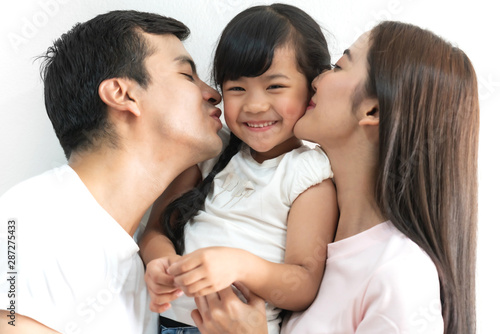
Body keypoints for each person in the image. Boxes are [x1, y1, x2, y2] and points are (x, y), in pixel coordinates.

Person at [190, 20, 479, 334]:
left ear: (373, 111)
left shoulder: (400, 274)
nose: (317, 80)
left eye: (338, 67)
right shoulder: (310, 239)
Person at [0, 10, 224, 334]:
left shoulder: (139, 271)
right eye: (187, 76)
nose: (213, 93)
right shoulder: (28, 218)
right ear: (123, 94)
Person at [138, 4, 337, 334]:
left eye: (275, 86)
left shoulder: (308, 173)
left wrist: (240, 265)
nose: (255, 105)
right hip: (166, 324)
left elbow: (303, 284)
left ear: (312, 88)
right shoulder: (211, 153)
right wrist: (161, 263)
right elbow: (156, 231)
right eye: (237, 89)